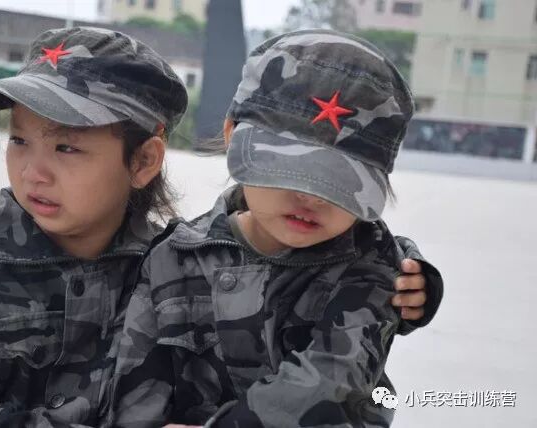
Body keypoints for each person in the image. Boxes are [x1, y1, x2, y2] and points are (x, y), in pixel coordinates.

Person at [112, 30, 444, 428]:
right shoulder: (175, 258)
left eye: (336, 184)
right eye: (288, 171)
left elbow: (332, 383)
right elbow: (135, 383)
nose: (310, 198)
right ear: (233, 135)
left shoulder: (370, 265)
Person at [0, 26, 187, 427]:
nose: (33, 173)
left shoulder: (178, 274)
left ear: (143, 161)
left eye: (66, 147)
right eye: (19, 140)